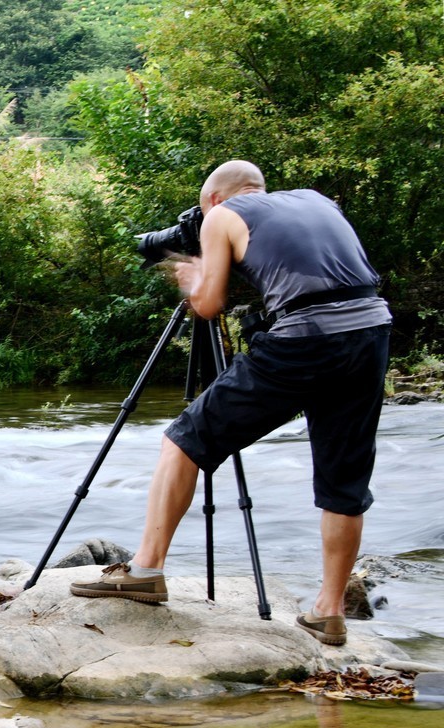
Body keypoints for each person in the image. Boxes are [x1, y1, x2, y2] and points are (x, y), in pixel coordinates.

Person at [70, 160, 392, 647]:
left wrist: (194, 275)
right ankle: (329, 611)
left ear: (215, 201)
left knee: (184, 441)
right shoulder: (316, 200)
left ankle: (146, 571)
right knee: (343, 477)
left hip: (303, 339)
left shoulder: (222, 215)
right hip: (371, 330)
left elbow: (208, 305)